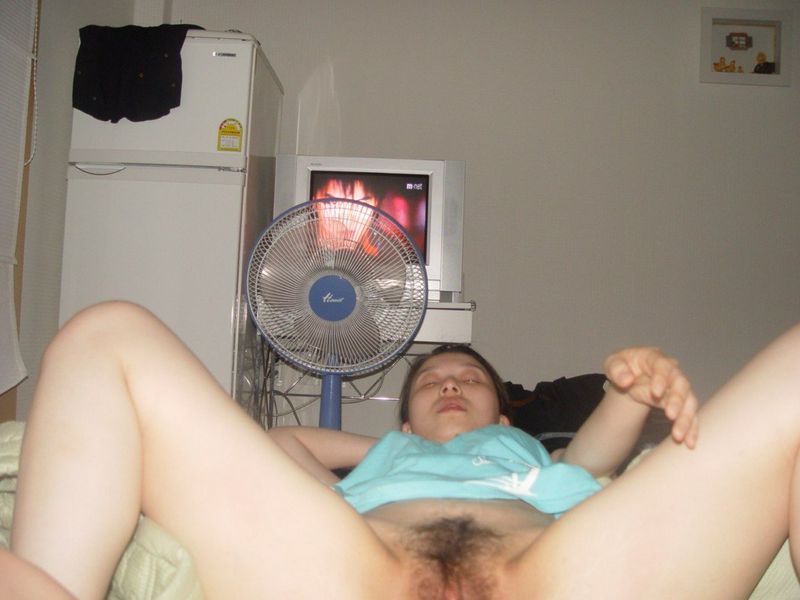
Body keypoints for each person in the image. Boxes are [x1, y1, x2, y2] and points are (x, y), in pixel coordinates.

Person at [6, 300, 800, 599]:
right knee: (106, 334)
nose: (451, 383)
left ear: (506, 411)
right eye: (432, 382)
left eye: (470, 379)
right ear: (405, 419)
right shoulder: (386, 456)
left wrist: (630, 392)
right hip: (351, 576)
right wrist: (392, 449)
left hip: (563, 578)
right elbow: (283, 444)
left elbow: (594, 460)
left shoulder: (530, 458)